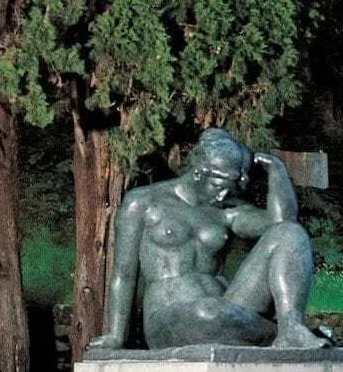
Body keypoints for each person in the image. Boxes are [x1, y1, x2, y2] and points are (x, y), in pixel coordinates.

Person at [92, 129, 326, 351]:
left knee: (290, 233)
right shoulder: (143, 202)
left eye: (231, 189)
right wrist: (116, 336)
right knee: (208, 312)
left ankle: (290, 329)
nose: (223, 195)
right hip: (168, 317)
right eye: (219, 186)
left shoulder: (226, 211)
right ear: (198, 172)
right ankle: (278, 332)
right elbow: (124, 274)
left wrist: (278, 171)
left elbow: (283, 222)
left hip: (226, 308)